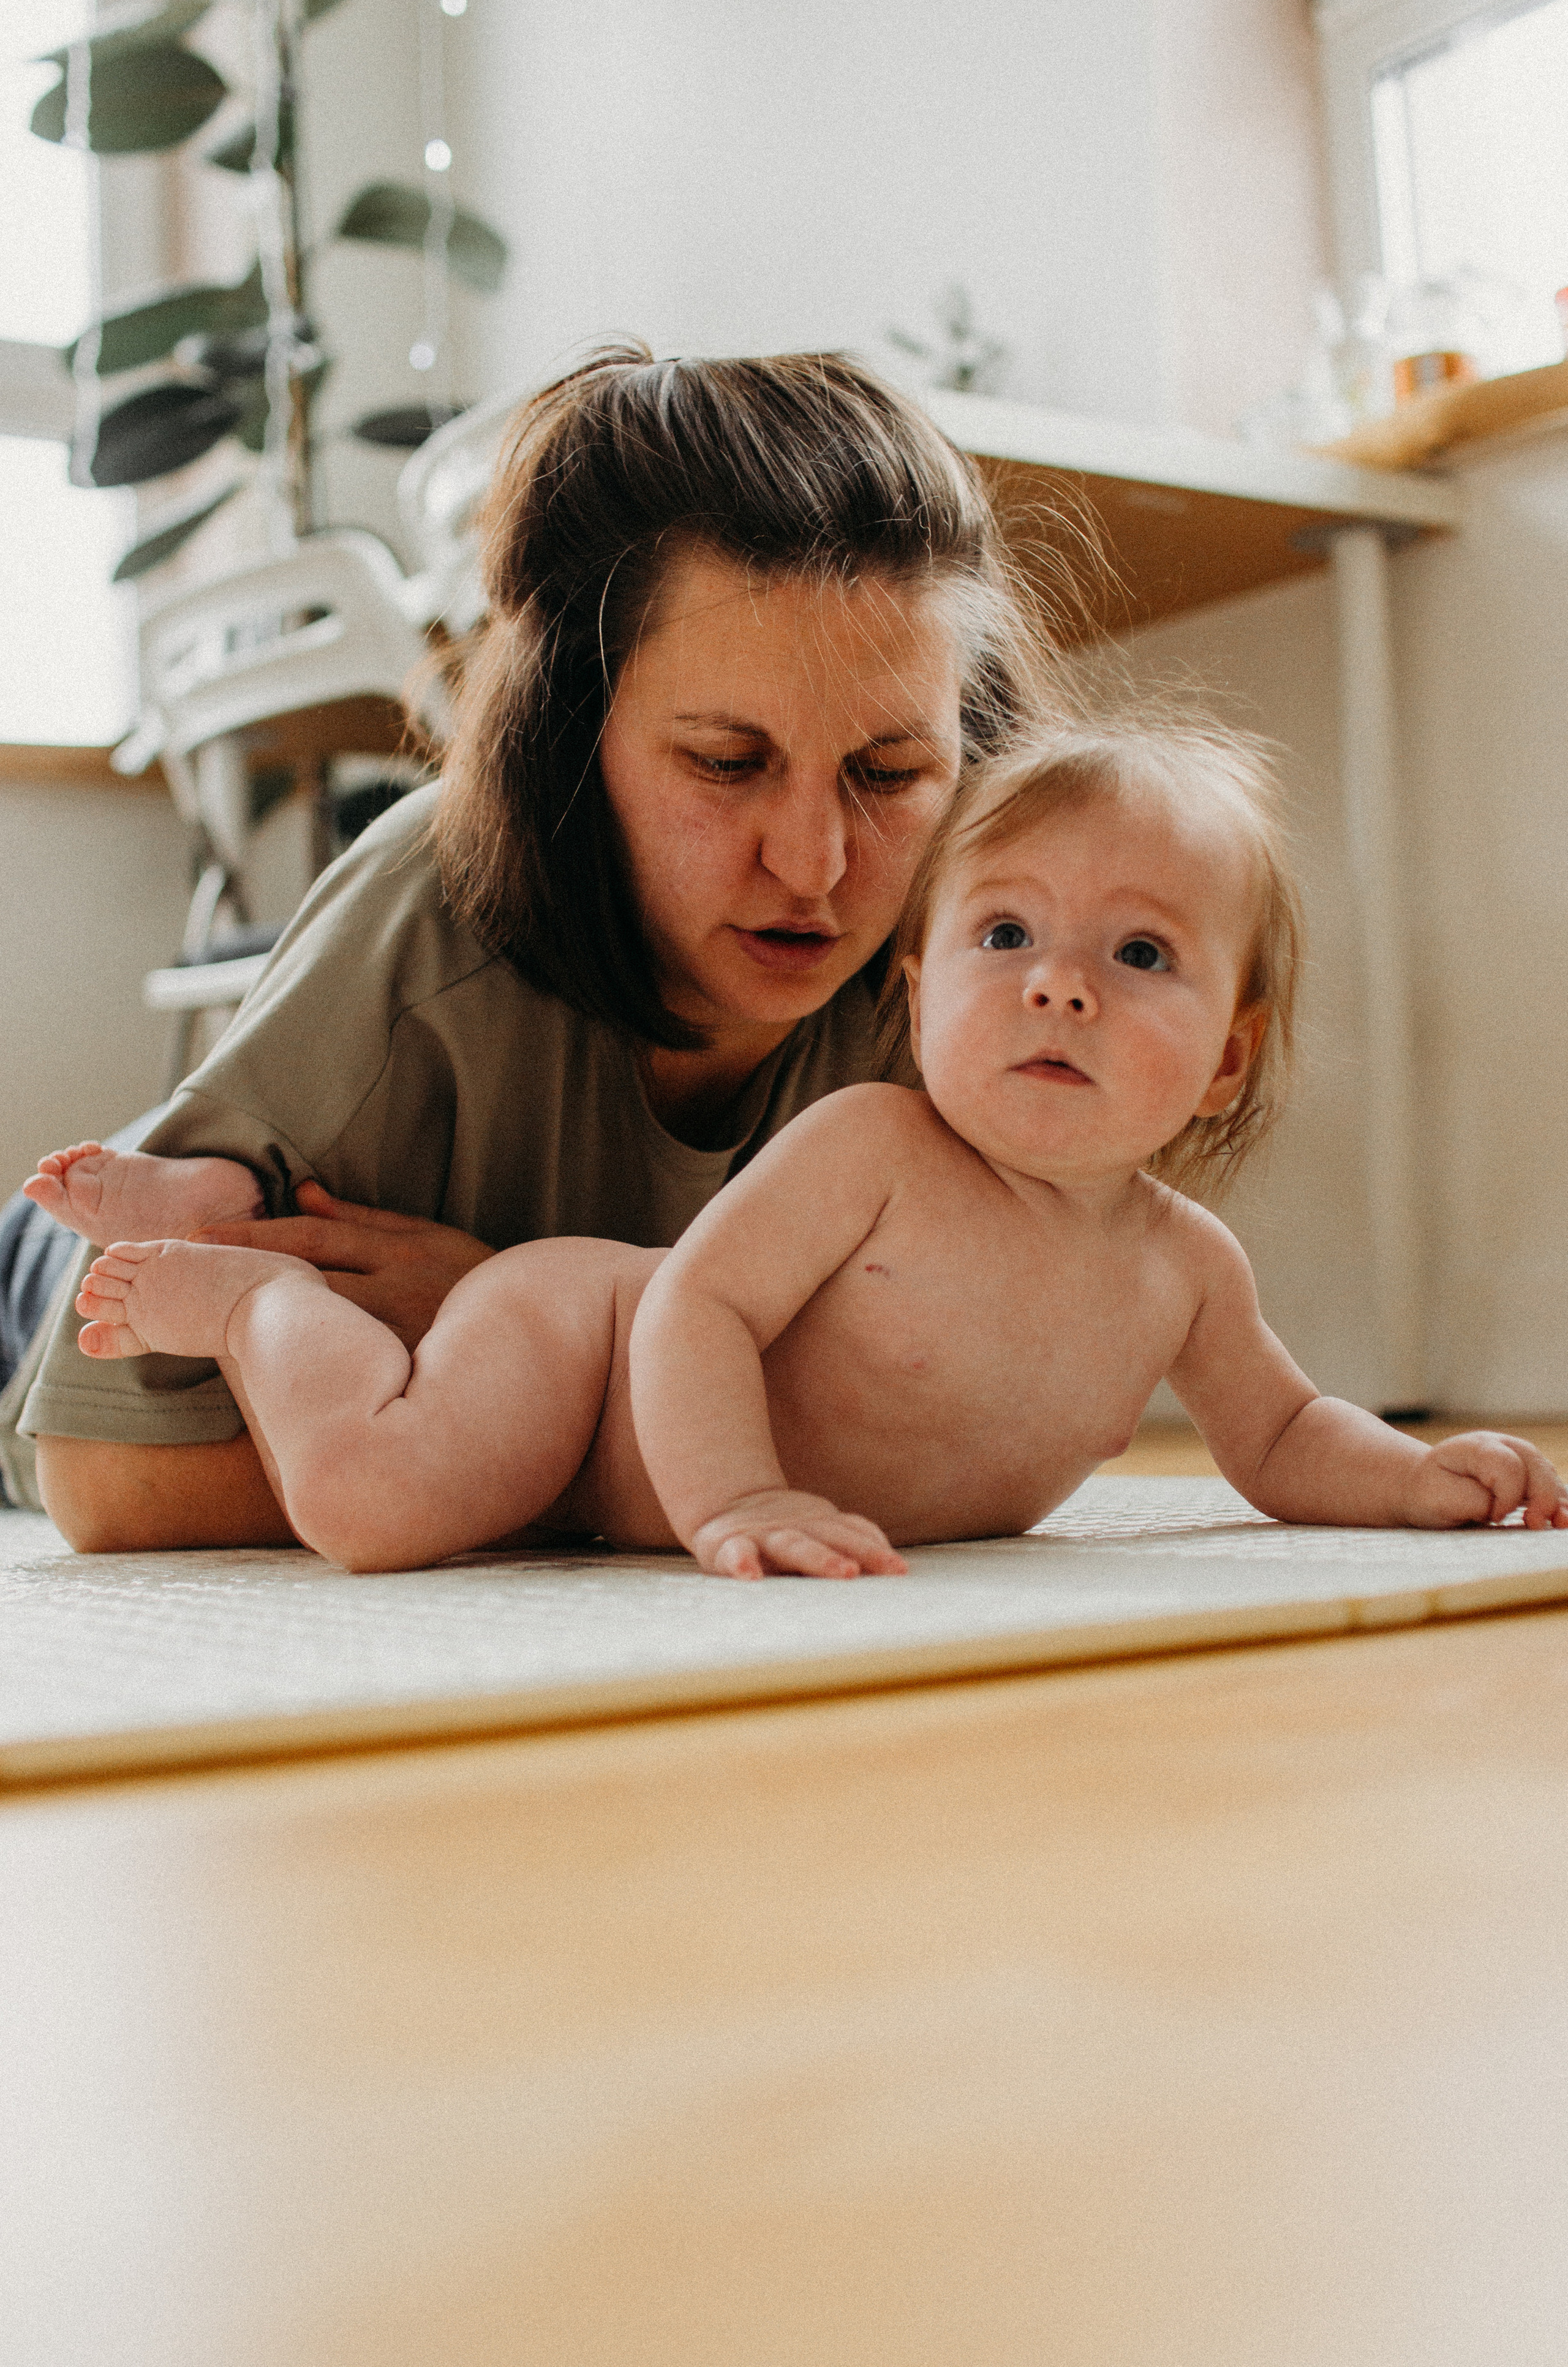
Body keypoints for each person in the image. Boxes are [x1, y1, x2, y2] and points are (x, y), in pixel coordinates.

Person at [32, 717, 1566, 1576]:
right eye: (1006, 933)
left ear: (1227, 1057)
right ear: (916, 996)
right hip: (576, 1347)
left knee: (415, 1511)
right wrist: (735, 1501)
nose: (1057, 982)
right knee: (373, 1506)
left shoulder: (1183, 1267)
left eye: (1142, 955)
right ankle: (253, 1304)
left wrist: (1418, 1479)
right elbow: (695, 1303)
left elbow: (1283, 1438)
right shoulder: (873, 1144)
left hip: (597, 1479)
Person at [8, 345, 1045, 1550]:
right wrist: (604, 1390)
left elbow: (1000, 1398)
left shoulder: (981, 949)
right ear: (571, 738)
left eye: (889, 772)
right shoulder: (424, 930)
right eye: (723, 763)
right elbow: (108, 1480)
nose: (814, 866)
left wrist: (539, 1338)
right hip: (50, 1266)